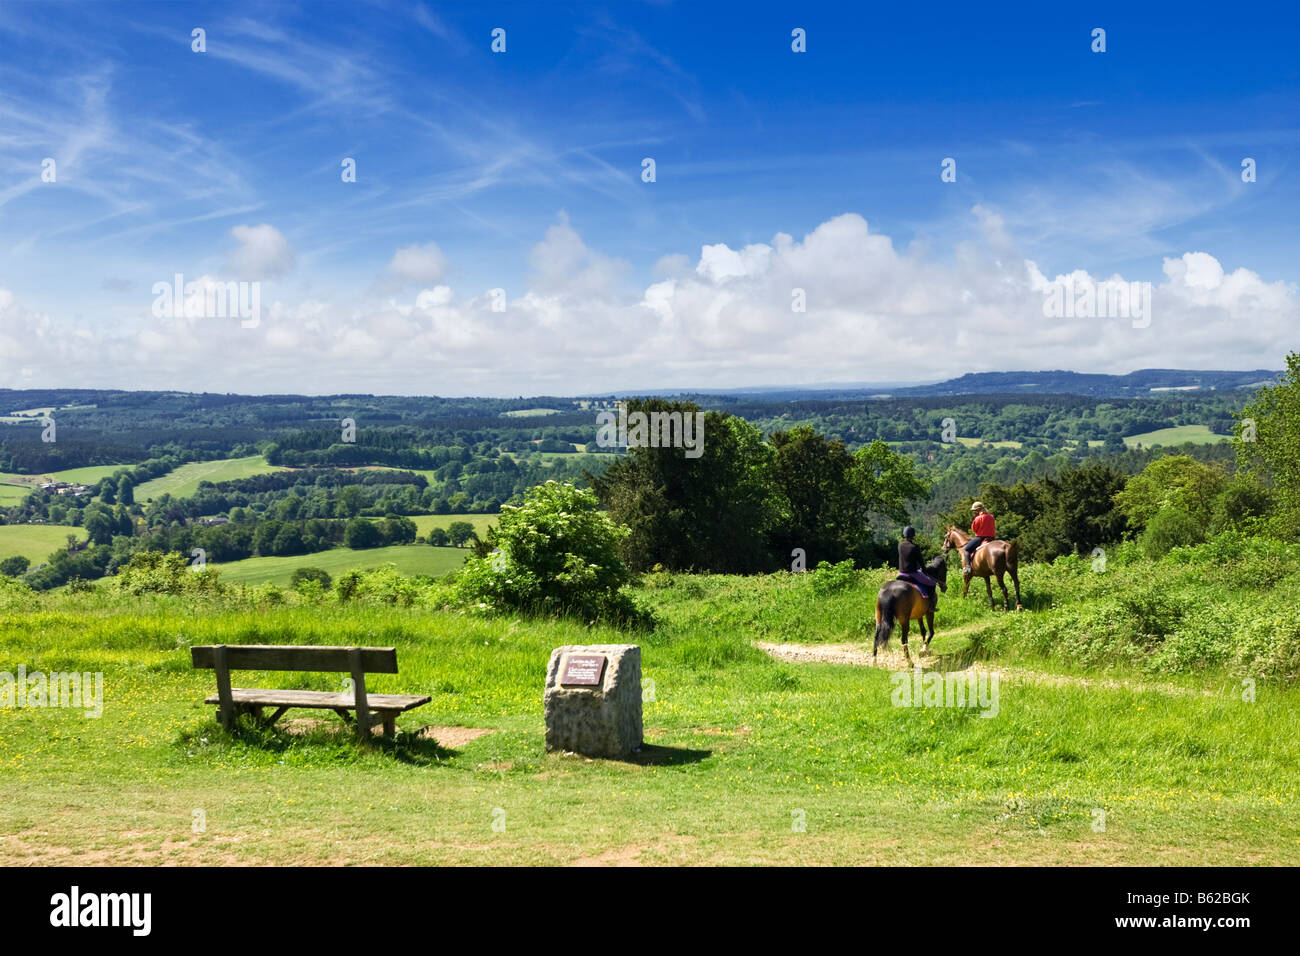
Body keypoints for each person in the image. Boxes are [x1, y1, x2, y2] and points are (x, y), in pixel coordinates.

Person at [897, 526, 937, 600]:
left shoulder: (900, 545)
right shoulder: (914, 547)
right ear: (913, 535)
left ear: (904, 534)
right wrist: (925, 572)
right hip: (912, 574)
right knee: (932, 584)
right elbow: (921, 562)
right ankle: (931, 605)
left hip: (901, 573)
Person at [963, 501, 996, 572]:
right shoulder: (991, 517)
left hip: (981, 538)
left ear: (978, 510)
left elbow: (974, 529)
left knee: (966, 549)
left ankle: (968, 567)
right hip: (992, 538)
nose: (975, 512)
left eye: (975, 511)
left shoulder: (978, 518)